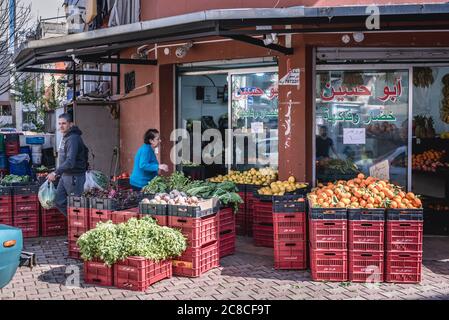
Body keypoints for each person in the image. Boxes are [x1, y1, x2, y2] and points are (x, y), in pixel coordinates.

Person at [47, 113, 88, 216]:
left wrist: (55, 173)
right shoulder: (66, 137)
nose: (61, 126)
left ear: (70, 124)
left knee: (76, 206)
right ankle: (73, 222)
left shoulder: (73, 138)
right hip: (65, 176)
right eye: (59, 123)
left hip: (74, 177)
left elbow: (70, 161)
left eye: (64, 123)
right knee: (59, 201)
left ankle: (79, 225)